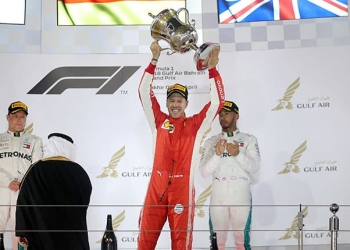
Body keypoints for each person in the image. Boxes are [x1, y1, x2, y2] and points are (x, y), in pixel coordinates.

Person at [137, 40, 225, 250]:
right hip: (155, 190)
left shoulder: (195, 125)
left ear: (186, 103)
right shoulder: (158, 121)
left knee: (181, 246)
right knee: (144, 244)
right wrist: (154, 59)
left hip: (181, 191)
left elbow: (217, 103)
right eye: (172, 100)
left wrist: (212, 69)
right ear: (167, 103)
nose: (175, 104)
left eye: (180, 101)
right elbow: (143, 92)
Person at [199, 101, 261, 250]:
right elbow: (203, 171)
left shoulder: (248, 139)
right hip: (218, 193)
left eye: (227, 113)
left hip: (240, 192)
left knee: (242, 242)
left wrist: (238, 155)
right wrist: (217, 155)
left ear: (236, 115)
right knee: (216, 243)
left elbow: (255, 166)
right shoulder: (211, 142)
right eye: (220, 114)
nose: (223, 117)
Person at [15, 133, 92, 250]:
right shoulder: (80, 171)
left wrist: (23, 231)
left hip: (42, 235)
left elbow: (23, 200)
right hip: (74, 238)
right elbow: (84, 201)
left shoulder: (36, 169)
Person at [0, 101, 43, 250]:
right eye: (15, 115)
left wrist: (24, 184)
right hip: (2, 192)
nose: (19, 119)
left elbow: (36, 168)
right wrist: (7, 182)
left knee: (21, 238)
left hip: (22, 194)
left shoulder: (35, 141)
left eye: (22, 116)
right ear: (7, 117)